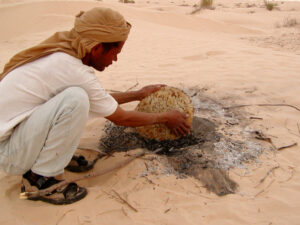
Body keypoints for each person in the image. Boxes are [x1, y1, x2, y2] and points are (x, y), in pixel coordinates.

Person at [0, 7, 190, 205]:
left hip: (16, 137)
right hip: (9, 152)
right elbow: (121, 118)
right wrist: (166, 117)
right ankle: (39, 180)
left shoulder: (64, 52)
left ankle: (52, 157)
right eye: (114, 53)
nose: (115, 60)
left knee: (77, 98)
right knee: (75, 99)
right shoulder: (72, 69)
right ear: (97, 47)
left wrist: (139, 94)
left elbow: (99, 99)